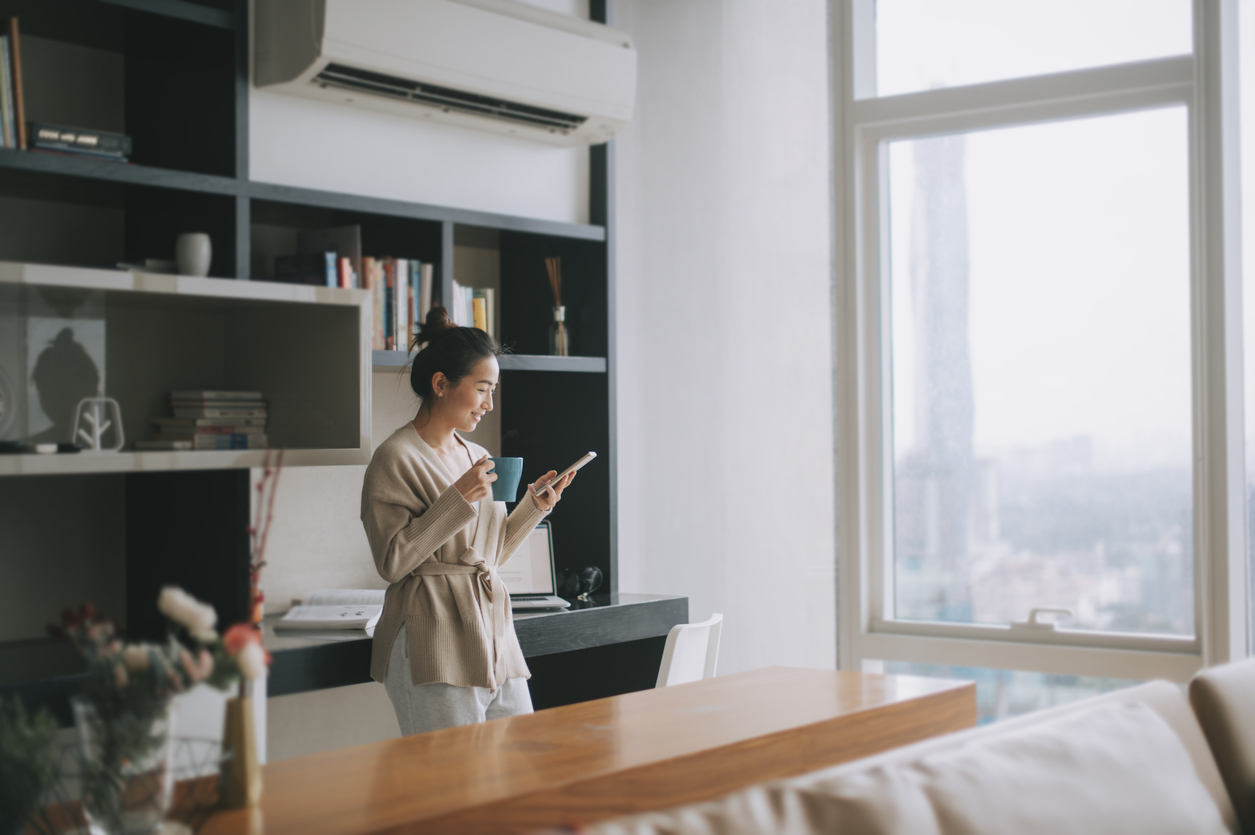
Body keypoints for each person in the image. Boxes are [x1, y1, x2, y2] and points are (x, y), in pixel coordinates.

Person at [361, 306, 575, 735]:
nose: (489, 405)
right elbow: (393, 561)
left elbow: (486, 555)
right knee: (452, 781)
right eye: (481, 389)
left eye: (493, 390)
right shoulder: (394, 458)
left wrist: (535, 507)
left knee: (519, 767)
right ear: (441, 384)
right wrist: (456, 498)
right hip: (432, 637)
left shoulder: (477, 456)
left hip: (493, 632)